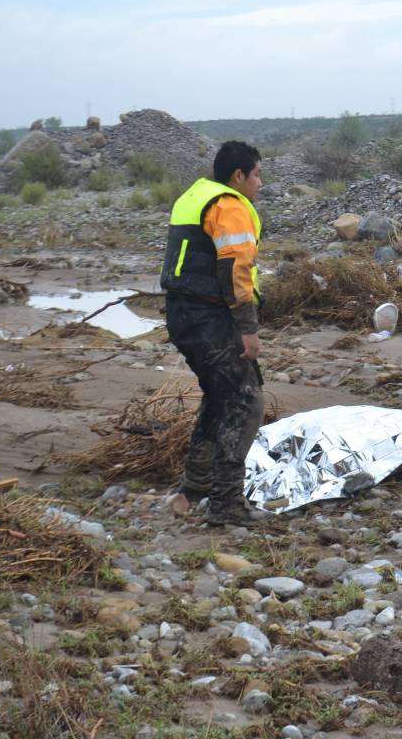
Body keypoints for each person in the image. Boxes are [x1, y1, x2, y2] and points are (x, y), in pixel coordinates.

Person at [162, 141, 268, 526]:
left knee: (219, 395)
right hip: (210, 317)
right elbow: (236, 272)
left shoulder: (194, 195)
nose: (260, 182)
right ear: (238, 175)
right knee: (246, 400)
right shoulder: (230, 205)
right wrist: (248, 330)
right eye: (256, 174)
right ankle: (226, 503)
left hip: (181, 313)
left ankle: (193, 488)